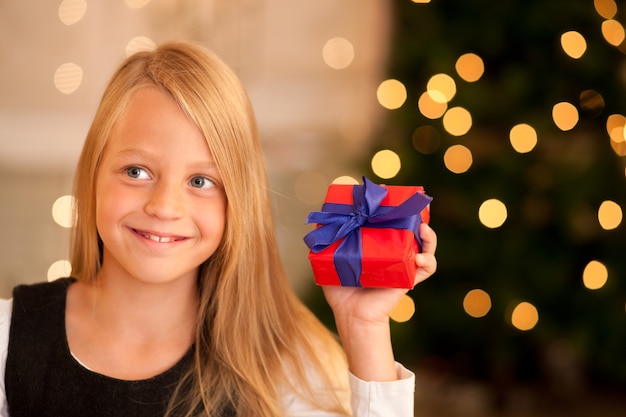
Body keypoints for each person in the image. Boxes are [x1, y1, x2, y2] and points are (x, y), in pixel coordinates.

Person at [0, 41, 437, 416]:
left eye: (201, 181)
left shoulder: (287, 370)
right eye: (135, 171)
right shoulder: (8, 337)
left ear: (237, 204)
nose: (165, 207)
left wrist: (363, 329)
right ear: (93, 172)